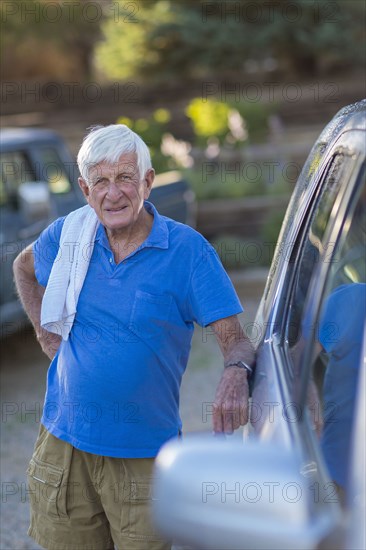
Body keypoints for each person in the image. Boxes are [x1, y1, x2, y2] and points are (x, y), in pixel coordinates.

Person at [13, 124, 255, 550]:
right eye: (100, 181)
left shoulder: (188, 252)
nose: (113, 194)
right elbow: (23, 268)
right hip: (63, 446)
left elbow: (236, 339)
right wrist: (42, 331)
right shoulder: (68, 237)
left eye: (125, 177)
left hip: (144, 456)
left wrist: (235, 372)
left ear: (147, 181)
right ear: (85, 189)